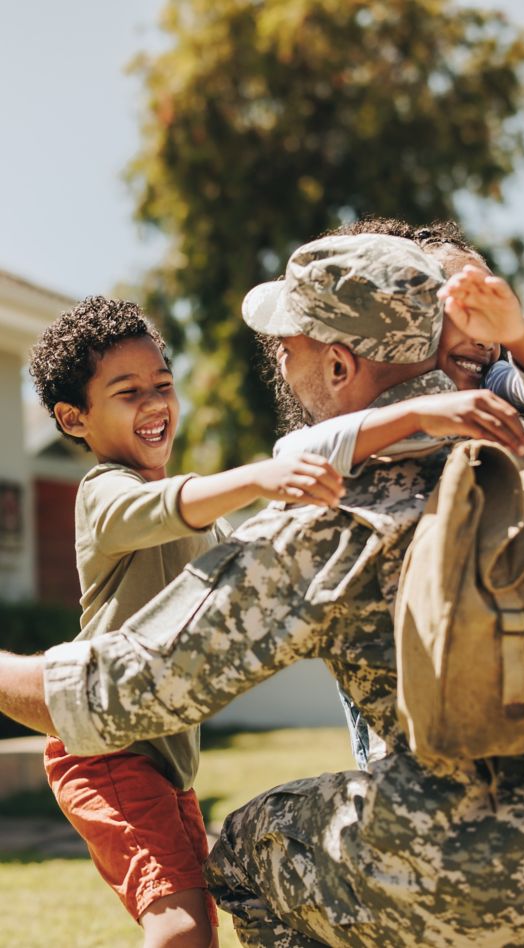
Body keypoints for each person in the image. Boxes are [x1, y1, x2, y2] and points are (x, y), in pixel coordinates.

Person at [1, 234, 524, 946]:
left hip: (473, 877)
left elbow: (119, 693)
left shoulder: (331, 514)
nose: (277, 356)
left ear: (339, 364)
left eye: (288, 344)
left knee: (245, 852)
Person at [27, 296, 343, 948]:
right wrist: (262, 474)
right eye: (127, 392)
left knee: (196, 923)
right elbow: (167, 506)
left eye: (162, 385)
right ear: (74, 418)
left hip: (165, 761)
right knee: (180, 926)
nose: (154, 403)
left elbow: (252, 557)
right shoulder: (105, 492)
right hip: (107, 750)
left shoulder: (191, 518)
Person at [264, 218, 524, 768]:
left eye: (488, 312)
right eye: (458, 309)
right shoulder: (405, 405)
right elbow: (294, 455)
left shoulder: (494, 384)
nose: (479, 332)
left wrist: (519, 332)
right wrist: (414, 413)